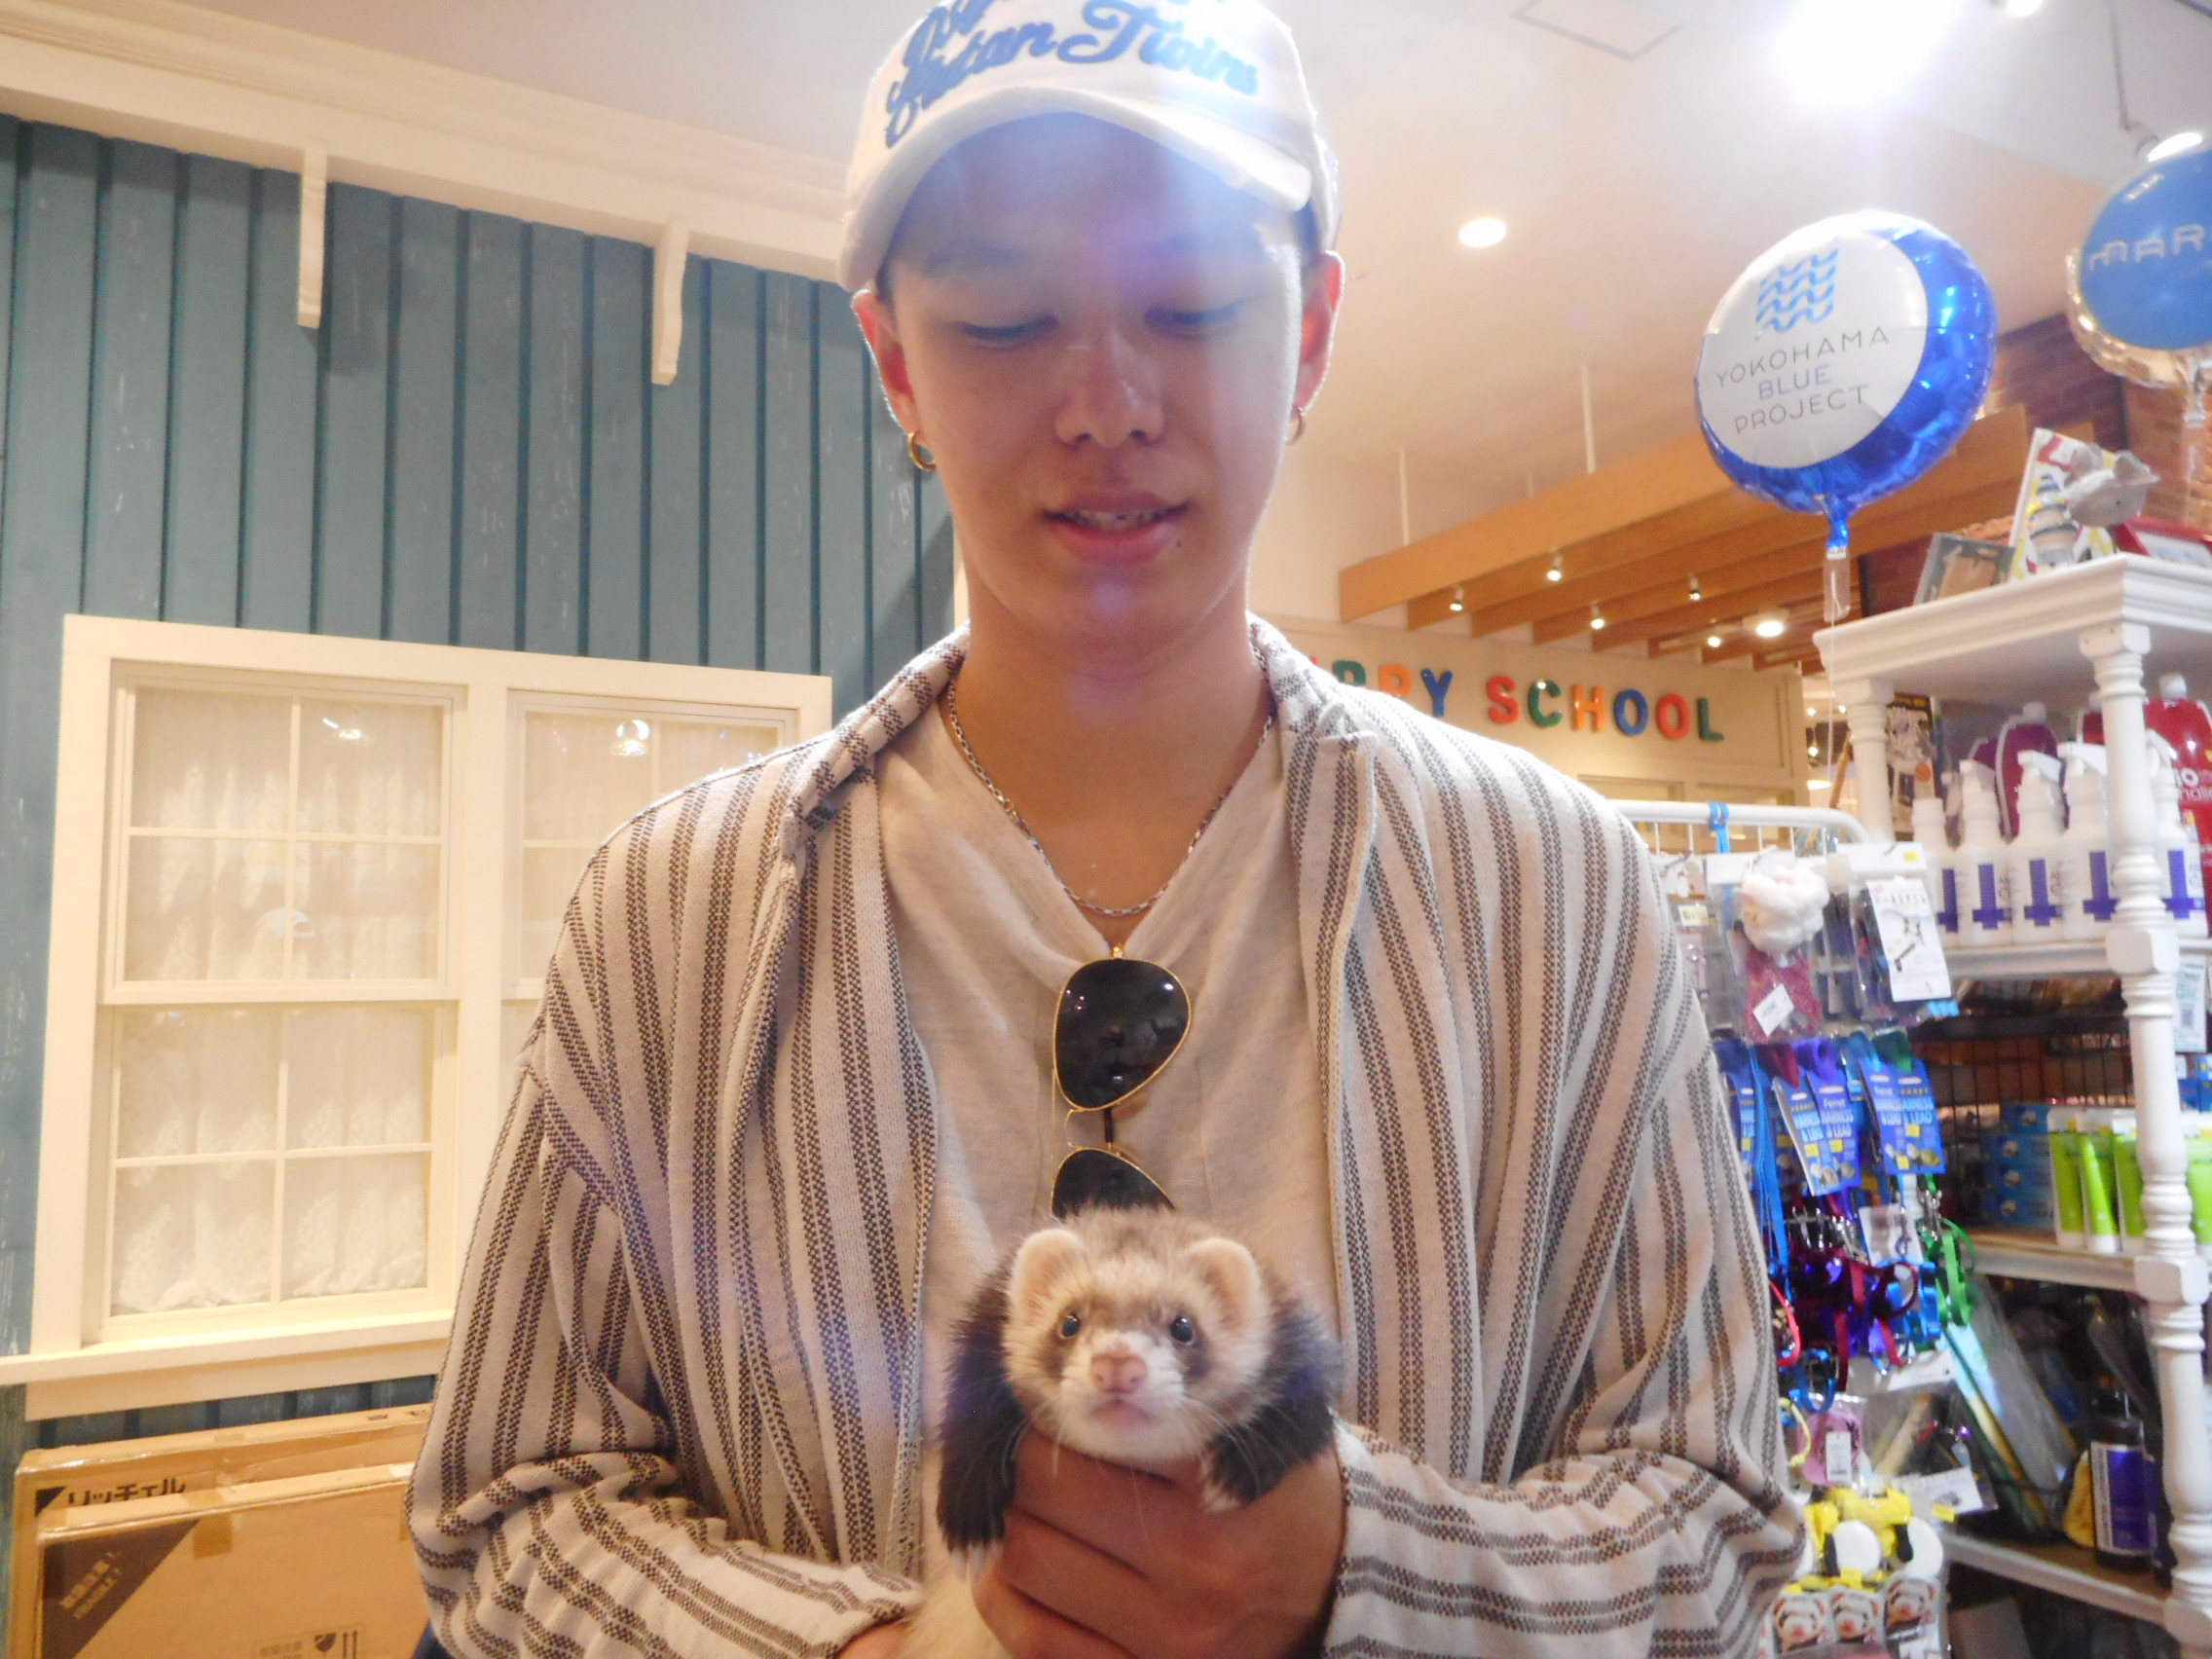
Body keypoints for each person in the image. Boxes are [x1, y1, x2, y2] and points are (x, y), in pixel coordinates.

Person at [408, 2, 1802, 1654]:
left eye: (1192, 304)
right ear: (898, 364)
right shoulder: (669, 920)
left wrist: (1365, 1576)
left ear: (1310, 335)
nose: (1107, 403)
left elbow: (1718, 1531)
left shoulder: (1560, 894)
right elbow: (506, 1520)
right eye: (1005, 321)